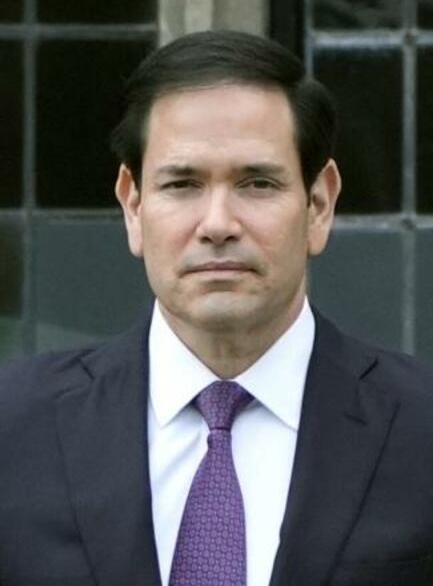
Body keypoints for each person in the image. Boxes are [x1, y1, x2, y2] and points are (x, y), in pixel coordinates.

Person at [1, 30, 433, 586]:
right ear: (133, 206)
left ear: (318, 204)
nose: (218, 224)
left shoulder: (420, 429)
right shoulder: (15, 429)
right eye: (182, 184)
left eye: (258, 183)